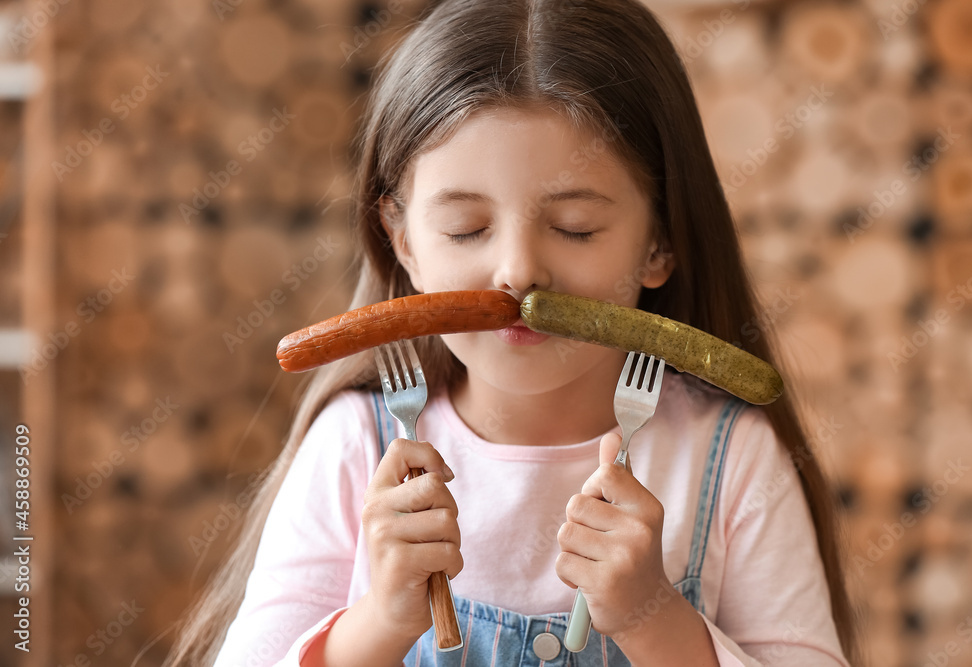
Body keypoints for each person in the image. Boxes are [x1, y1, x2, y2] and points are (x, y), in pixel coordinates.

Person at [164, 0, 860, 665]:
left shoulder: (732, 455)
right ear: (401, 238)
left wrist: (653, 618)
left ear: (660, 243)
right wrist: (378, 623)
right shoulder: (354, 443)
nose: (519, 270)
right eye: (466, 227)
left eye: (574, 228)